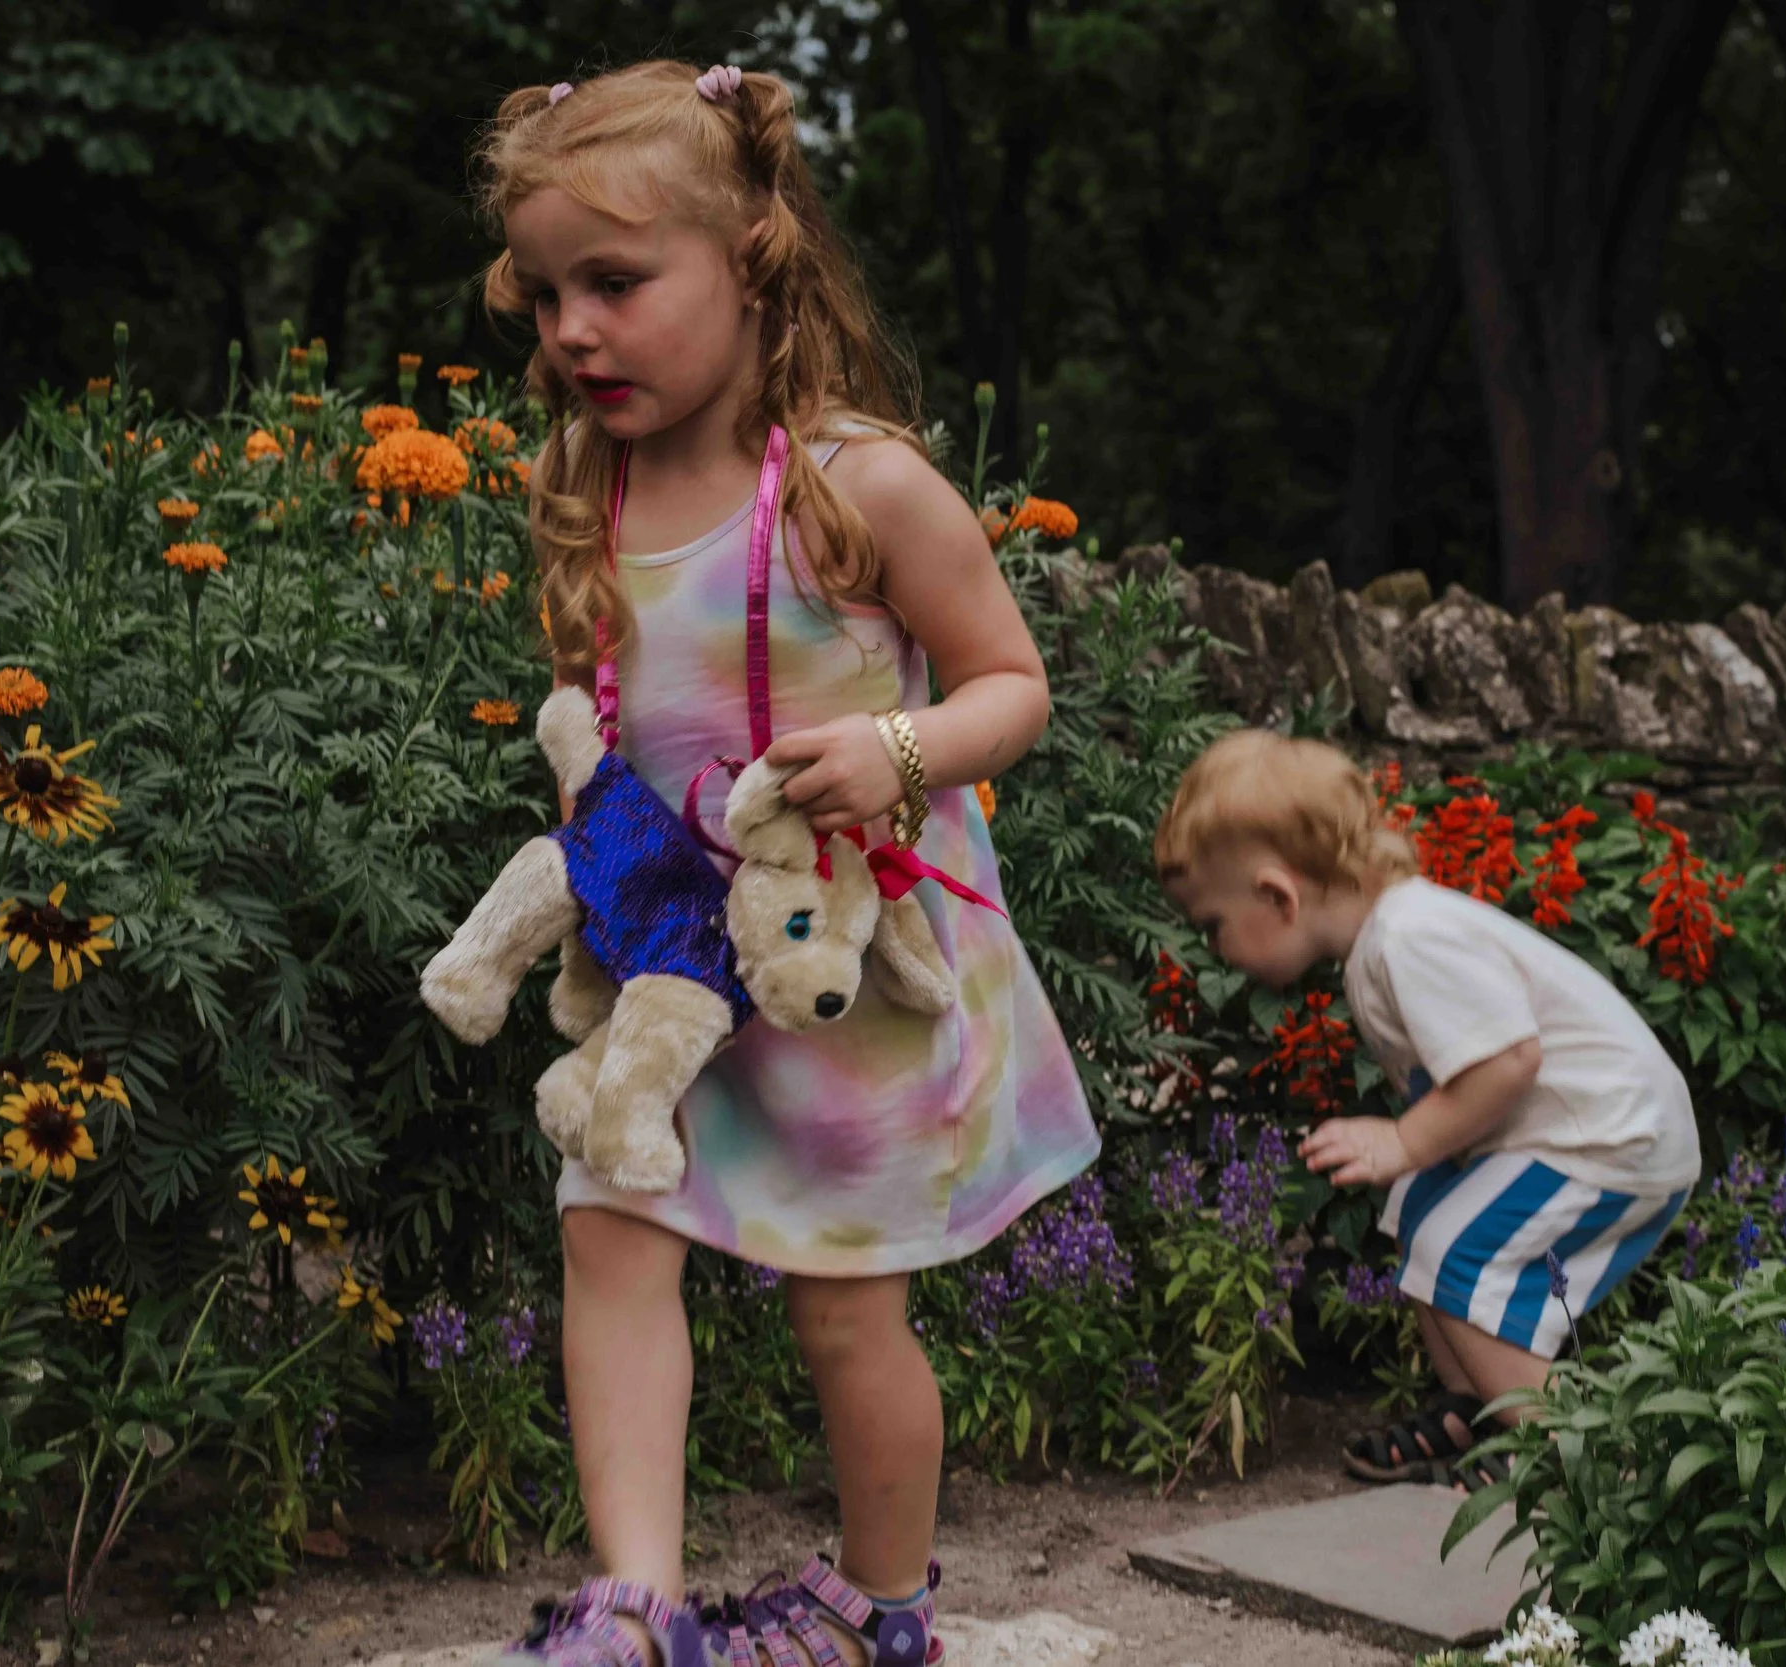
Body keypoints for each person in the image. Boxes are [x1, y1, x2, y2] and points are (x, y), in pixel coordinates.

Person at [476, 60, 1100, 1667]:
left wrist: (896, 752)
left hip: (847, 972)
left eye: (615, 282)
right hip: (676, 963)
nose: (572, 329)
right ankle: (635, 1601)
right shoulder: (580, 488)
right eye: (545, 294)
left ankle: (887, 1605)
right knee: (608, 1226)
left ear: (753, 257)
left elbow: (1011, 686)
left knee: (846, 1302)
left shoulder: (856, 484)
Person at [1154, 730, 1698, 1490]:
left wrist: (1404, 1138)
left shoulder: (1411, 937)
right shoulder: (1385, 940)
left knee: (1455, 1248)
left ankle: (1578, 1453)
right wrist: (1415, 1154)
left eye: (1212, 923)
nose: (1212, 946)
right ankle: (1474, 1409)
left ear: (1278, 895)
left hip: (1611, 1135)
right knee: (1420, 1211)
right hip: (1575, 1130)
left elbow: (1508, 1060)